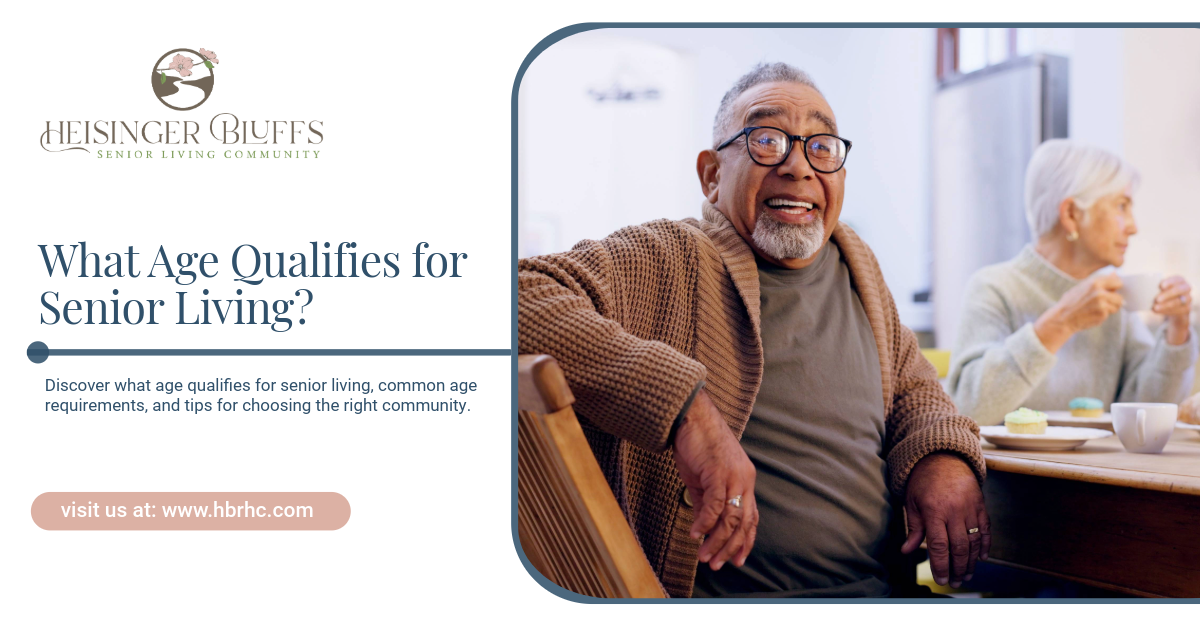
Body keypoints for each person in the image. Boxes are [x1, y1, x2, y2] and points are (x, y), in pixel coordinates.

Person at [518, 63, 988, 598]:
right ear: (711, 175)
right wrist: (684, 409)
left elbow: (913, 387)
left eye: (822, 145)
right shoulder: (668, 256)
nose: (798, 166)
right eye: (767, 140)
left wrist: (941, 456)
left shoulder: (856, 266)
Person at [948, 140, 1197, 426]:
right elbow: (967, 411)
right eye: (1121, 206)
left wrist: (1177, 331)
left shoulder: (1114, 299)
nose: (1133, 226)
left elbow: (1146, 416)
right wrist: (1062, 322)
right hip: (1011, 472)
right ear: (1070, 214)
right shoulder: (993, 287)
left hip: (1099, 471)